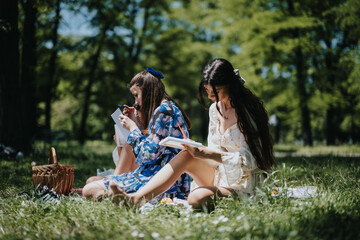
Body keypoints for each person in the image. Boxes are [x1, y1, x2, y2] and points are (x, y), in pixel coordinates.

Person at [107, 58, 275, 211]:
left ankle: (208, 194)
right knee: (187, 153)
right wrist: (199, 152)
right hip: (219, 175)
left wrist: (208, 153)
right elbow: (213, 153)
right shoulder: (214, 109)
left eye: (215, 90)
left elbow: (255, 160)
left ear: (231, 86)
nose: (210, 96)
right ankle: (136, 199)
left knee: (196, 198)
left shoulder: (248, 112)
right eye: (207, 90)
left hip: (244, 184)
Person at [82, 67, 192, 201]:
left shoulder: (163, 111)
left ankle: (120, 199)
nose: (135, 103)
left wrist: (133, 128)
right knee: (91, 184)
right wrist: (135, 124)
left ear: (148, 93)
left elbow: (148, 156)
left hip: (161, 183)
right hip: (160, 178)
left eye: (136, 95)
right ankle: (117, 198)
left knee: (90, 189)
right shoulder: (167, 109)